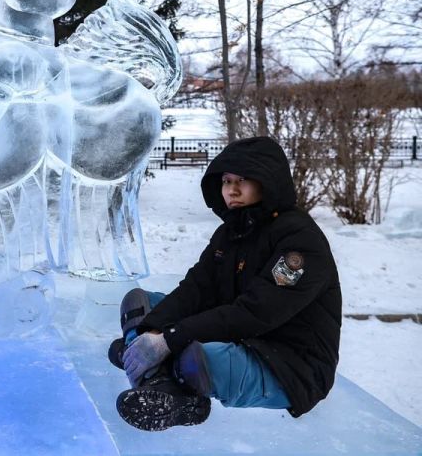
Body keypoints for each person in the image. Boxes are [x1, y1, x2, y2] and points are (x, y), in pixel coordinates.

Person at [109, 136, 342, 430]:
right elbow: (196, 289)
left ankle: (170, 385)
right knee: (139, 305)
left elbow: (255, 314)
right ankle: (161, 381)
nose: (231, 189)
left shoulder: (300, 243)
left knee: (193, 360)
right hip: (240, 336)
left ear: (268, 182)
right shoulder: (231, 232)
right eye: (226, 180)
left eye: (243, 179)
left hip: (290, 363)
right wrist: (152, 331)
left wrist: (168, 340)